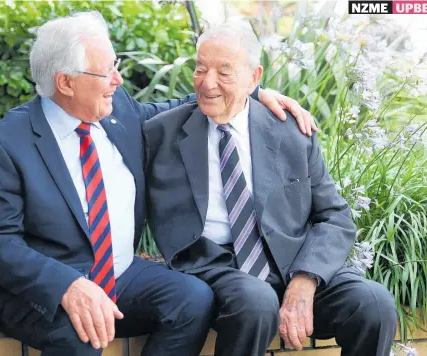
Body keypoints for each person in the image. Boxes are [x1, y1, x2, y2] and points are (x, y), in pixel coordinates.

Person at [0, 11, 314, 356]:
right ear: (66, 83)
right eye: (106, 71)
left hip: (120, 274)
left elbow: (188, 105)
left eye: (114, 65)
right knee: (82, 336)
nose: (117, 79)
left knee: (192, 299)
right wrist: (68, 285)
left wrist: (253, 92)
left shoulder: (117, 110)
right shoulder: (5, 146)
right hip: (42, 292)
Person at [143, 23, 398, 356]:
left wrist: (306, 277)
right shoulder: (161, 133)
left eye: (224, 72)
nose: (207, 83)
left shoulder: (292, 131)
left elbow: (334, 215)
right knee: (256, 301)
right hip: (215, 266)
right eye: (200, 68)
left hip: (293, 262)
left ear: (254, 76)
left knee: (374, 304)